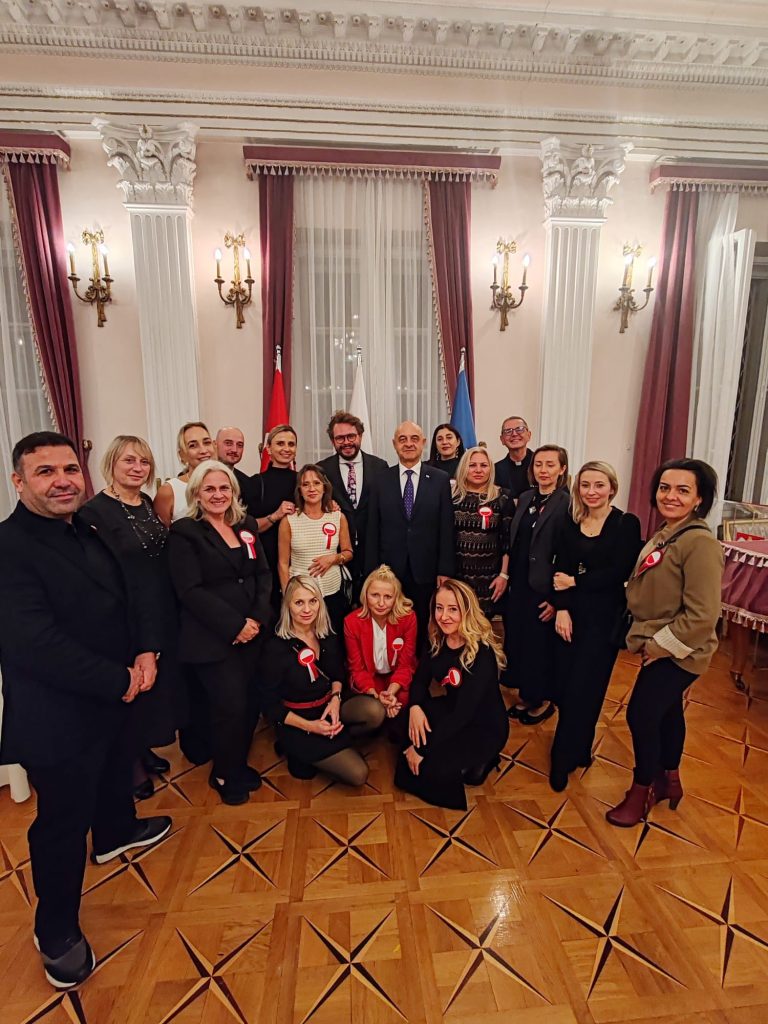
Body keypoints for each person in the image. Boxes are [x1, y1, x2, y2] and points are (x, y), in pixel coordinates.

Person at [0, 432, 170, 990]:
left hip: (116, 696)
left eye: (69, 468)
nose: (62, 480)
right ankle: (55, 930)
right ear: (18, 482)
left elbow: (132, 592)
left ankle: (118, 831)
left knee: (116, 774)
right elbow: (33, 643)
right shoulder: (8, 548)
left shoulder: (89, 528)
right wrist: (119, 679)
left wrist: (145, 649)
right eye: (45, 472)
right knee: (62, 824)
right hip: (58, 716)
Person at [606, 459, 723, 827]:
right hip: (657, 639)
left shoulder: (699, 543)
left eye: (683, 490)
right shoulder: (667, 532)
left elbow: (703, 615)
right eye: (664, 488)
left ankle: (642, 790)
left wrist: (658, 646)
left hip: (681, 648)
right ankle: (670, 780)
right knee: (668, 710)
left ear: (700, 499)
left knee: (641, 714)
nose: (670, 496)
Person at [81, 435, 187, 800]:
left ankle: (141, 749)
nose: (137, 468)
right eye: (129, 460)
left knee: (152, 690)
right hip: (123, 613)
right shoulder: (93, 512)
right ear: (111, 462)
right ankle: (130, 767)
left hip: (159, 606)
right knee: (130, 688)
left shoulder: (145, 502)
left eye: (143, 462)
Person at [167, 460, 271, 806]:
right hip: (211, 637)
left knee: (249, 704)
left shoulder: (245, 525)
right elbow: (190, 590)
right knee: (230, 706)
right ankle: (224, 773)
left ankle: (237, 763)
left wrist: (256, 618)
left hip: (252, 632)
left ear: (233, 492)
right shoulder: (185, 532)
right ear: (196, 493)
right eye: (209, 488)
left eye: (224, 488)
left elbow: (262, 574)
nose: (217, 494)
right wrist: (235, 626)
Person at [548, 462, 642, 792]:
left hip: (603, 620)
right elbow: (559, 569)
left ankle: (564, 756)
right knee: (566, 685)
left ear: (612, 488)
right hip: (570, 616)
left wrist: (575, 581)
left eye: (599, 485)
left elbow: (620, 572)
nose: (591, 491)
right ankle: (574, 748)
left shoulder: (626, 524)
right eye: (585, 485)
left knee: (588, 688)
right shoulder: (571, 521)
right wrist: (562, 608)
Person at [394, 579, 509, 810]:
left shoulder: (482, 653)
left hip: (484, 727)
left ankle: (483, 761)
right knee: (401, 723)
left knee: (425, 768)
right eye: (439, 608)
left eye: (453, 609)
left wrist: (420, 749)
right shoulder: (437, 639)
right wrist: (416, 707)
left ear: (466, 611)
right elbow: (420, 680)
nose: (444, 616)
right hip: (452, 710)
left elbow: (463, 714)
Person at [262, 576, 385, 783]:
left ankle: (335, 738)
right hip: (300, 721)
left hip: (329, 706)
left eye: (313, 601)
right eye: (299, 602)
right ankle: (299, 750)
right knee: (358, 775)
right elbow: (269, 705)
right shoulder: (275, 648)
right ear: (287, 605)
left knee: (375, 712)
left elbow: (337, 674)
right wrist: (310, 727)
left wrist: (336, 700)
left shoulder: (326, 634)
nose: (307, 609)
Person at [365, 421, 455, 640]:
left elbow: (446, 528)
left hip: (426, 570)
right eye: (402, 439)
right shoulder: (379, 480)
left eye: (414, 439)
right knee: (391, 627)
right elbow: (372, 529)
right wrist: (372, 572)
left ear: (423, 443)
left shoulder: (440, 479)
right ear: (394, 444)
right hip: (388, 572)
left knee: (425, 627)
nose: (408, 444)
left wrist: (445, 570)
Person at [503, 444, 570, 724]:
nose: (543, 470)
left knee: (538, 647)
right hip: (519, 583)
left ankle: (541, 700)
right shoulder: (526, 497)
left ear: (562, 469)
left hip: (544, 589)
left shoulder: (567, 503)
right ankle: (526, 694)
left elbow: (568, 553)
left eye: (550, 465)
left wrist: (557, 600)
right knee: (519, 641)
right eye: (538, 464)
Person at [317, 411, 388, 602]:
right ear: (332, 441)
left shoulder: (380, 467)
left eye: (351, 436)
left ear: (360, 436)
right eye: (340, 438)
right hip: (336, 554)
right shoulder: (321, 470)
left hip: (372, 550)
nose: (346, 442)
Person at [343, 565, 418, 739]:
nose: (381, 603)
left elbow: (405, 665)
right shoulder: (352, 622)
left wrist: (390, 693)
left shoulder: (408, 618)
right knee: (375, 710)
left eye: (388, 597)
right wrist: (377, 696)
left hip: (396, 677)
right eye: (375, 595)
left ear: (396, 598)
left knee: (404, 703)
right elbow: (357, 669)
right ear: (365, 595)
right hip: (370, 679)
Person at [278, 464, 353, 634]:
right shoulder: (289, 521)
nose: (311, 489)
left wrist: (333, 559)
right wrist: (288, 598)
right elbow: (283, 564)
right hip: (301, 599)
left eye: (317, 483)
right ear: (300, 490)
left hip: (332, 593)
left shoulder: (338, 517)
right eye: (306, 484)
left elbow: (348, 552)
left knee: (332, 644)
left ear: (325, 487)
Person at [452, 446, 512, 617]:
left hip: (489, 579)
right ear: (464, 467)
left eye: (484, 465)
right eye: (472, 465)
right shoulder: (452, 497)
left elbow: (507, 540)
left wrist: (504, 575)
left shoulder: (503, 497)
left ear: (491, 468)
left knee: (482, 625)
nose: (478, 470)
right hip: (457, 576)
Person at [249, 424, 298, 613]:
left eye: (291, 444)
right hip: (267, 563)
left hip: (299, 562)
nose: (286, 448)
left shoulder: (304, 481)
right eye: (280, 443)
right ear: (268, 449)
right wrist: (275, 516)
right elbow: (248, 528)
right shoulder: (256, 483)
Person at [154, 422, 215, 526]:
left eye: (207, 443)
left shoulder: (226, 484)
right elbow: (161, 533)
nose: (203, 450)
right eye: (193, 445)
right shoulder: (169, 491)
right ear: (182, 455)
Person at [216, 426, 258, 516]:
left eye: (239, 445)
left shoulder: (247, 483)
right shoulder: (199, 475)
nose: (234, 450)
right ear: (215, 445)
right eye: (228, 443)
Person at [495, 416, 533, 500]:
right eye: (508, 431)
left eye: (519, 429)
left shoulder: (541, 465)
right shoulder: (495, 470)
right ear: (502, 439)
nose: (514, 434)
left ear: (529, 435)